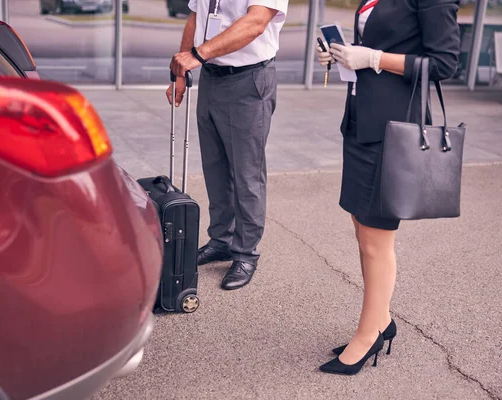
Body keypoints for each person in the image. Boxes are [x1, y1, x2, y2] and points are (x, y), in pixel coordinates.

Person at [315, 0, 460, 375]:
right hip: (361, 123)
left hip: (393, 131)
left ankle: (369, 336)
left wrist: (374, 59)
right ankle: (380, 319)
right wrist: (344, 57)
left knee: (377, 240)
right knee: (362, 230)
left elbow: (444, 64)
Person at [167, 0, 288, 290]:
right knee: (215, 168)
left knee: (247, 174)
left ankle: (246, 253)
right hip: (212, 77)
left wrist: (197, 54)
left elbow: (256, 22)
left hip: (248, 80)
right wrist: (181, 72)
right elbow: (196, 18)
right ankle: (221, 240)